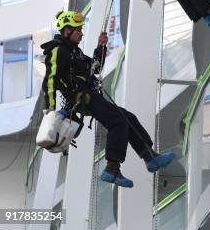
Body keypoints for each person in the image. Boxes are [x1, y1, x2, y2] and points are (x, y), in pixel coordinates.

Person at [41, 11, 175, 188]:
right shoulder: (58, 50)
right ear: (66, 31)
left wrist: (101, 47)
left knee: (128, 118)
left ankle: (149, 156)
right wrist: (50, 107)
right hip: (80, 97)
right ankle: (112, 167)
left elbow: (94, 67)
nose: (81, 33)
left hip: (88, 95)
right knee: (118, 121)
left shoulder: (75, 51)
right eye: (78, 30)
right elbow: (50, 79)